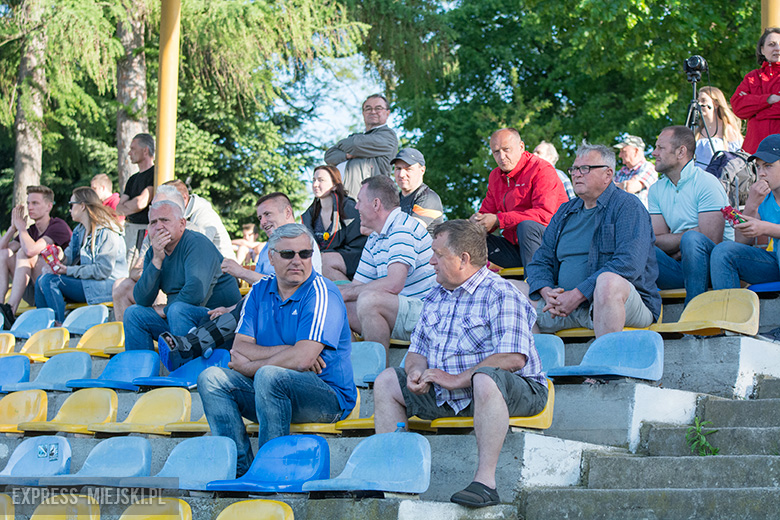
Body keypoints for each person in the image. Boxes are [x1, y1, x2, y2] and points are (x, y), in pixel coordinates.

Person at [373, 219, 547, 508]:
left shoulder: (501, 292)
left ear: (464, 259)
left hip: (517, 391)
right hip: (453, 393)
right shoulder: (435, 296)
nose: (431, 261)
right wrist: (416, 371)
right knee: (388, 380)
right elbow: (417, 351)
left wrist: (455, 379)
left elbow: (513, 357)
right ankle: (393, 478)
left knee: (485, 378)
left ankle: (486, 484)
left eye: (438, 254)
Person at [198, 223, 357, 476]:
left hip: (328, 395)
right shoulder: (259, 290)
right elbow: (240, 347)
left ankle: (268, 474)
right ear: (271, 257)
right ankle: (240, 472)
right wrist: (292, 351)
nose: (297, 260)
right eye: (287, 254)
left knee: (269, 375)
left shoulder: (322, 291)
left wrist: (252, 366)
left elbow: (303, 359)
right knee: (211, 378)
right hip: (270, 390)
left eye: (305, 254)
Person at [522, 143, 661, 336]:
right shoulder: (564, 212)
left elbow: (629, 263)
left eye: (585, 169)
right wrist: (547, 292)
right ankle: (538, 354)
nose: (577, 174)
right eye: (574, 169)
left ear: (608, 174)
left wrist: (578, 294)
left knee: (608, 282)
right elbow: (540, 261)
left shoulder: (628, 206)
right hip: (560, 306)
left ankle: (606, 356)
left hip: (615, 303)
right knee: (507, 289)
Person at [339, 176, 436, 360]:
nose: (356, 207)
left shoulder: (402, 228)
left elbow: (393, 284)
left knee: (369, 300)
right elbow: (356, 285)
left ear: (376, 204)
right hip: (398, 310)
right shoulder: (375, 236)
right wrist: (334, 294)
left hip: (426, 313)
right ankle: (353, 366)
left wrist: (347, 292)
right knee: (335, 303)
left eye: (359, 201)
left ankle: (375, 370)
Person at [123, 200, 241, 351]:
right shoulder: (154, 253)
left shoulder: (196, 243)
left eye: (165, 220)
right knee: (133, 313)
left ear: (182, 224)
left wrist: (165, 310)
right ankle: (141, 365)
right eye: (153, 222)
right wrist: (157, 261)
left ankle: (186, 364)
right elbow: (141, 299)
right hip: (179, 319)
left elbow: (195, 292)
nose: (159, 226)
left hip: (218, 320)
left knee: (177, 310)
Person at [650, 126, 732, 304]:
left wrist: (683, 243)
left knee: (692, 240)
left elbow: (710, 241)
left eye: (660, 148)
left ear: (681, 152)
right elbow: (656, 240)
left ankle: (694, 308)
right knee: (640, 246)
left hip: (715, 269)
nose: (654, 153)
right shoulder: (656, 189)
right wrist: (687, 239)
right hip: (679, 268)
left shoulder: (706, 182)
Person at [471, 128, 568, 270]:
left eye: (506, 149)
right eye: (496, 152)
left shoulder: (542, 169)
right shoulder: (495, 176)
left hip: (551, 247)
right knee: (470, 235)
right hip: (517, 247)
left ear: (521, 146)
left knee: (527, 227)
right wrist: (477, 221)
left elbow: (544, 215)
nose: (502, 157)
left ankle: (537, 281)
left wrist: (498, 220)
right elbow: (487, 212)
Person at [35, 187, 128, 323]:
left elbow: (103, 270)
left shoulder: (107, 232)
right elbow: (68, 259)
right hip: (89, 282)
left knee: (50, 281)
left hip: (107, 286)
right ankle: (43, 326)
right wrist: (60, 256)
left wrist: (68, 270)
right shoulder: (79, 231)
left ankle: (58, 327)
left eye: (71, 205)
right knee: (40, 280)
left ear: (82, 206)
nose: (70, 210)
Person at [711, 134, 780, 302]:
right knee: (724, 251)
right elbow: (741, 241)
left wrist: (765, 228)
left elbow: (765, 229)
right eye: (758, 167)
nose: (761, 173)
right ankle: (729, 316)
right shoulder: (765, 199)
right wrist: (751, 204)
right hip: (775, 263)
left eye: (768, 166)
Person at [0, 185, 72, 322]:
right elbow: (2, 250)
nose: (30, 207)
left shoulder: (58, 226)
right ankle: (1, 308)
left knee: (24, 253)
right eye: (28, 203)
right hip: (31, 287)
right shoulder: (31, 230)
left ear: (49, 206)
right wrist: (13, 228)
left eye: (35, 203)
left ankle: (10, 310)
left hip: (54, 288)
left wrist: (21, 228)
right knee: (4, 255)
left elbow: (30, 250)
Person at [324, 94, 399, 198]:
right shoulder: (356, 137)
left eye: (378, 108)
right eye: (368, 108)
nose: (373, 111)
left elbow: (355, 145)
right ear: (363, 113)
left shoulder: (388, 136)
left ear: (387, 113)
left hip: (368, 200)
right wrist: (347, 155)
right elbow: (329, 156)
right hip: (341, 199)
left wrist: (343, 145)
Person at [301, 165, 367, 281]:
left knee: (324, 262)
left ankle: (350, 291)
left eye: (321, 180)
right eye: (314, 180)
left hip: (352, 258)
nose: (315, 184)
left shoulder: (349, 208)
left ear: (335, 186)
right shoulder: (310, 214)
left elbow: (358, 243)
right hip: (320, 261)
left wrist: (329, 255)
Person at [731, 27, 780, 155]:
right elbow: (738, 107)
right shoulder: (752, 77)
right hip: (754, 152)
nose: (777, 48)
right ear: (762, 50)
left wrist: (757, 113)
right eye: (772, 44)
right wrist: (768, 99)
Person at [163, 179, 235, 260]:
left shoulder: (204, 215)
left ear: (184, 197)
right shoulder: (179, 215)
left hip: (223, 266)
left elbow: (198, 251)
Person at [116, 133, 155, 266]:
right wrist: (132, 206)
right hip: (130, 230)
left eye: (133, 149)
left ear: (145, 150)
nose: (129, 153)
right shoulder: (132, 179)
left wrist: (129, 206)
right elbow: (118, 208)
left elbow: (140, 203)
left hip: (142, 232)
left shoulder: (155, 174)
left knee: (133, 267)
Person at [392, 148, 445, 232]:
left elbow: (409, 231)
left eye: (408, 169)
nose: (401, 174)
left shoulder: (429, 198)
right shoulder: (394, 200)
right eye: (398, 168)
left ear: (422, 170)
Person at [694, 86, 744, 169]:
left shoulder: (727, 129)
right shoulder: (697, 130)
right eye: (698, 101)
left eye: (703, 100)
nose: (699, 104)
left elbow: (738, 161)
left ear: (716, 104)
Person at [613, 135, 657, 208]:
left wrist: (614, 186)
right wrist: (622, 186)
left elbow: (630, 187)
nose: (620, 155)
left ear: (636, 151)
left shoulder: (648, 167)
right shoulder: (622, 171)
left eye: (623, 151)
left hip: (639, 214)